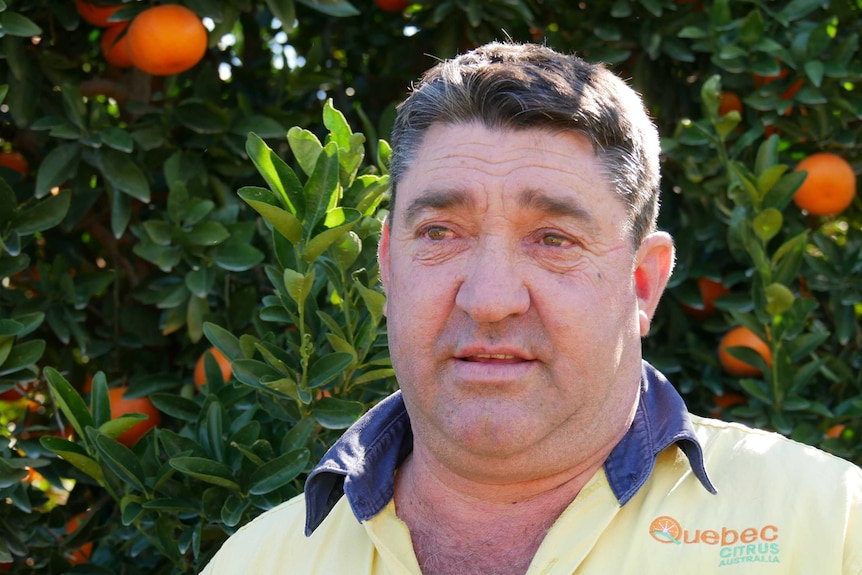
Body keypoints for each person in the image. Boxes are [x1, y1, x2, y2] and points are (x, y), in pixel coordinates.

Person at [200, 42, 862, 574]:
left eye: (554, 239)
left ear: (642, 283)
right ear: (388, 265)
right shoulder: (256, 561)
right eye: (440, 233)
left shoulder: (833, 529)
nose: (489, 300)